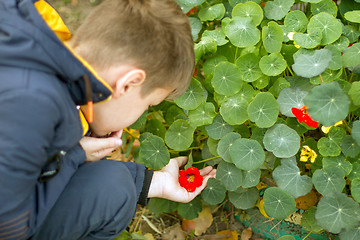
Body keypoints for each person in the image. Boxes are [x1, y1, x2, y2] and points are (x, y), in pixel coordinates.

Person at [0, 0, 217, 239]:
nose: (139, 115)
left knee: (114, 183)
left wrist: (153, 183)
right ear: (127, 83)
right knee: (115, 190)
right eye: (148, 105)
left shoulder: (35, 37)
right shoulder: (33, 103)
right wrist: (74, 156)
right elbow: (10, 229)